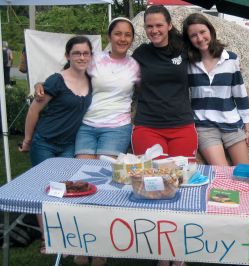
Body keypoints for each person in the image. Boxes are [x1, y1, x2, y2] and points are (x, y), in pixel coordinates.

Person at [19, 35, 93, 254]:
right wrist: (27, 140)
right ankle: (46, 238)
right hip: (45, 143)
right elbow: (34, 110)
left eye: (86, 53)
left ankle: (63, 234)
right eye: (76, 53)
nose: (81, 57)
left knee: (66, 190)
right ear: (67, 56)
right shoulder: (56, 80)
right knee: (46, 190)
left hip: (69, 145)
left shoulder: (91, 78)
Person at [36, 17, 140, 161]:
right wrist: (41, 84)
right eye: (118, 33)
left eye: (127, 35)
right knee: (82, 171)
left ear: (132, 39)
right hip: (86, 126)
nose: (122, 38)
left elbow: (150, 88)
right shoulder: (94, 59)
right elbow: (67, 76)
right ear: (109, 36)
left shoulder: (135, 65)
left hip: (117, 127)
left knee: (104, 171)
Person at [182, 13, 249, 166]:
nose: (200, 38)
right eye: (193, 35)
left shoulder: (231, 59)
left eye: (202, 32)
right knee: (222, 174)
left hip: (232, 124)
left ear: (211, 31)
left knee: (245, 171)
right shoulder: (188, 64)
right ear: (189, 39)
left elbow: (240, 95)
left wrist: (248, 129)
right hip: (204, 127)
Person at [131, 5, 197, 159]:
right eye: (149, 26)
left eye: (159, 25)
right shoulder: (141, 53)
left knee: (181, 177)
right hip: (147, 127)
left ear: (169, 25)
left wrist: (230, 59)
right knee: (152, 178)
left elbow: (208, 53)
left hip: (182, 126)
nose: (154, 30)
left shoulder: (184, 49)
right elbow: (120, 69)